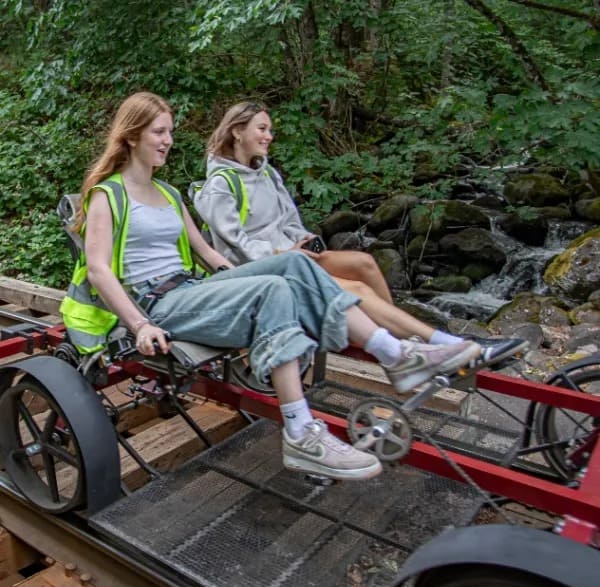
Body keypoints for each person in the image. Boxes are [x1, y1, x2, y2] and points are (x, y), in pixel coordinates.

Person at [61, 91, 481, 482]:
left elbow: (209, 253)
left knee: (294, 264)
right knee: (274, 291)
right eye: (159, 132)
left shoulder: (168, 193)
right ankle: (301, 430)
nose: (169, 140)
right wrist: (138, 325)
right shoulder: (107, 196)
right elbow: (99, 270)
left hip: (191, 289)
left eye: (170, 131)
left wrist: (245, 273)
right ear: (132, 136)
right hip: (159, 304)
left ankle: (398, 355)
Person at [195, 101, 527, 364]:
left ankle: (403, 339)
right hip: (260, 270)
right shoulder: (219, 186)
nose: (269, 136)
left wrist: (306, 241)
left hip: (295, 256)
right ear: (237, 131)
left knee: (363, 263)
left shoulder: (267, 175)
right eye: (262, 129)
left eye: (270, 130)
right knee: (354, 288)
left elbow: (290, 219)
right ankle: (445, 345)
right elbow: (233, 247)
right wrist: (283, 255)